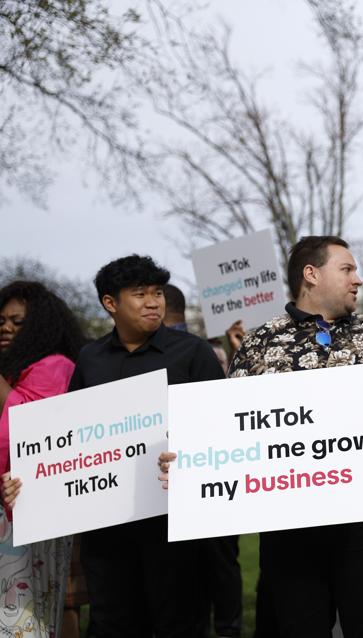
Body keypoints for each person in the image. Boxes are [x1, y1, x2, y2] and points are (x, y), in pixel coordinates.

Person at [164, 235, 363, 637]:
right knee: (301, 626)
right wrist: (186, 462)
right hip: (291, 516)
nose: (358, 280)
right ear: (311, 275)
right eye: (347, 269)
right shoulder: (261, 340)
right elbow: (228, 418)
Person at [5, 255, 225, 637]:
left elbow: (219, 427)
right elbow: (65, 438)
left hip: (172, 520)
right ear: (110, 303)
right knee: (112, 622)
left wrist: (188, 453)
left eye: (157, 292)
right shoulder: (90, 359)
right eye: (140, 294)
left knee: (178, 621)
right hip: (105, 525)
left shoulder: (193, 354)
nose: (154, 302)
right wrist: (25, 479)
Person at [0, 281, 86, 638]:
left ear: (40, 326)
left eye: (17, 322)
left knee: (37, 612)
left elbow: (28, 425)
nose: (5, 328)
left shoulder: (55, 366)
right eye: (1, 320)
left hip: (32, 511)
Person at [161, 283, 243, 638]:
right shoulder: (203, 350)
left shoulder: (190, 352)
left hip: (189, 482)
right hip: (215, 484)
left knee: (187, 580)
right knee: (220, 569)